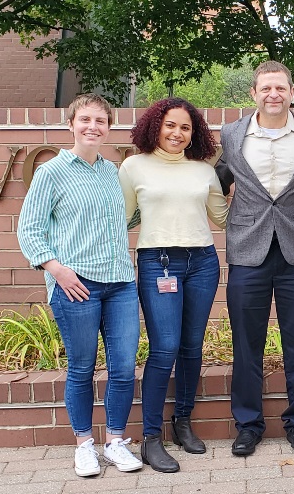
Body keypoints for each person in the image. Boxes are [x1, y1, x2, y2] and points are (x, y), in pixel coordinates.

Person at [17, 93, 142, 477]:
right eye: (85, 119)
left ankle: (115, 442)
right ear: (71, 124)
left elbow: (125, 220)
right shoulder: (51, 172)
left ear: (109, 127)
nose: (93, 127)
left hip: (120, 283)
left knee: (123, 368)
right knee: (82, 367)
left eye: (100, 121)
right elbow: (29, 229)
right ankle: (84, 445)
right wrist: (57, 270)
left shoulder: (111, 172)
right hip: (76, 286)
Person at [216, 60, 294, 456]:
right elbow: (216, 181)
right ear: (253, 93)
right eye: (266, 88)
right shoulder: (232, 134)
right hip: (248, 249)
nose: (273, 94)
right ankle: (248, 425)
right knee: (247, 344)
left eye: (280, 88)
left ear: (292, 92)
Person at [118, 98, 228, 473]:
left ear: (193, 133)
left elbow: (223, 218)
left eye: (185, 127)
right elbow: (123, 218)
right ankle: (151, 438)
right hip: (157, 261)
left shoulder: (203, 170)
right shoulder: (133, 166)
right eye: (170, 125)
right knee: (165, 348)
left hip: (203, 262)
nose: (177, 133)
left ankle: (183, 422)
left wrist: (249, 189)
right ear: (155, 126)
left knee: (191, 346)